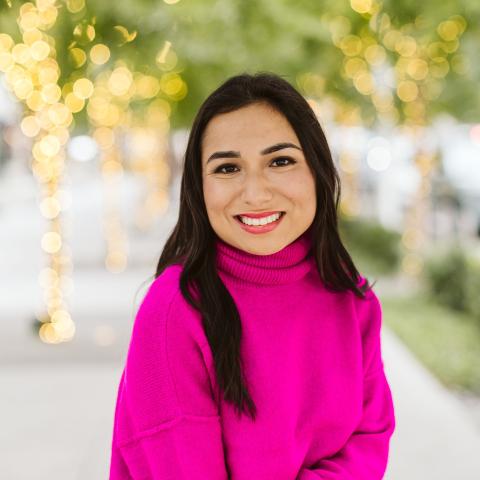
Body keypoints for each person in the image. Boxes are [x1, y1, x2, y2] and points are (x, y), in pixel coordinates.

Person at [108, 72, 396, 479]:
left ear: (316, 169)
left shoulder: (351, 297)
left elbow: (369, 439)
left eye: (280, 161)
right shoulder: (174, 310)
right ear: (198, 187)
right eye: (227, 168)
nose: (255, 194)